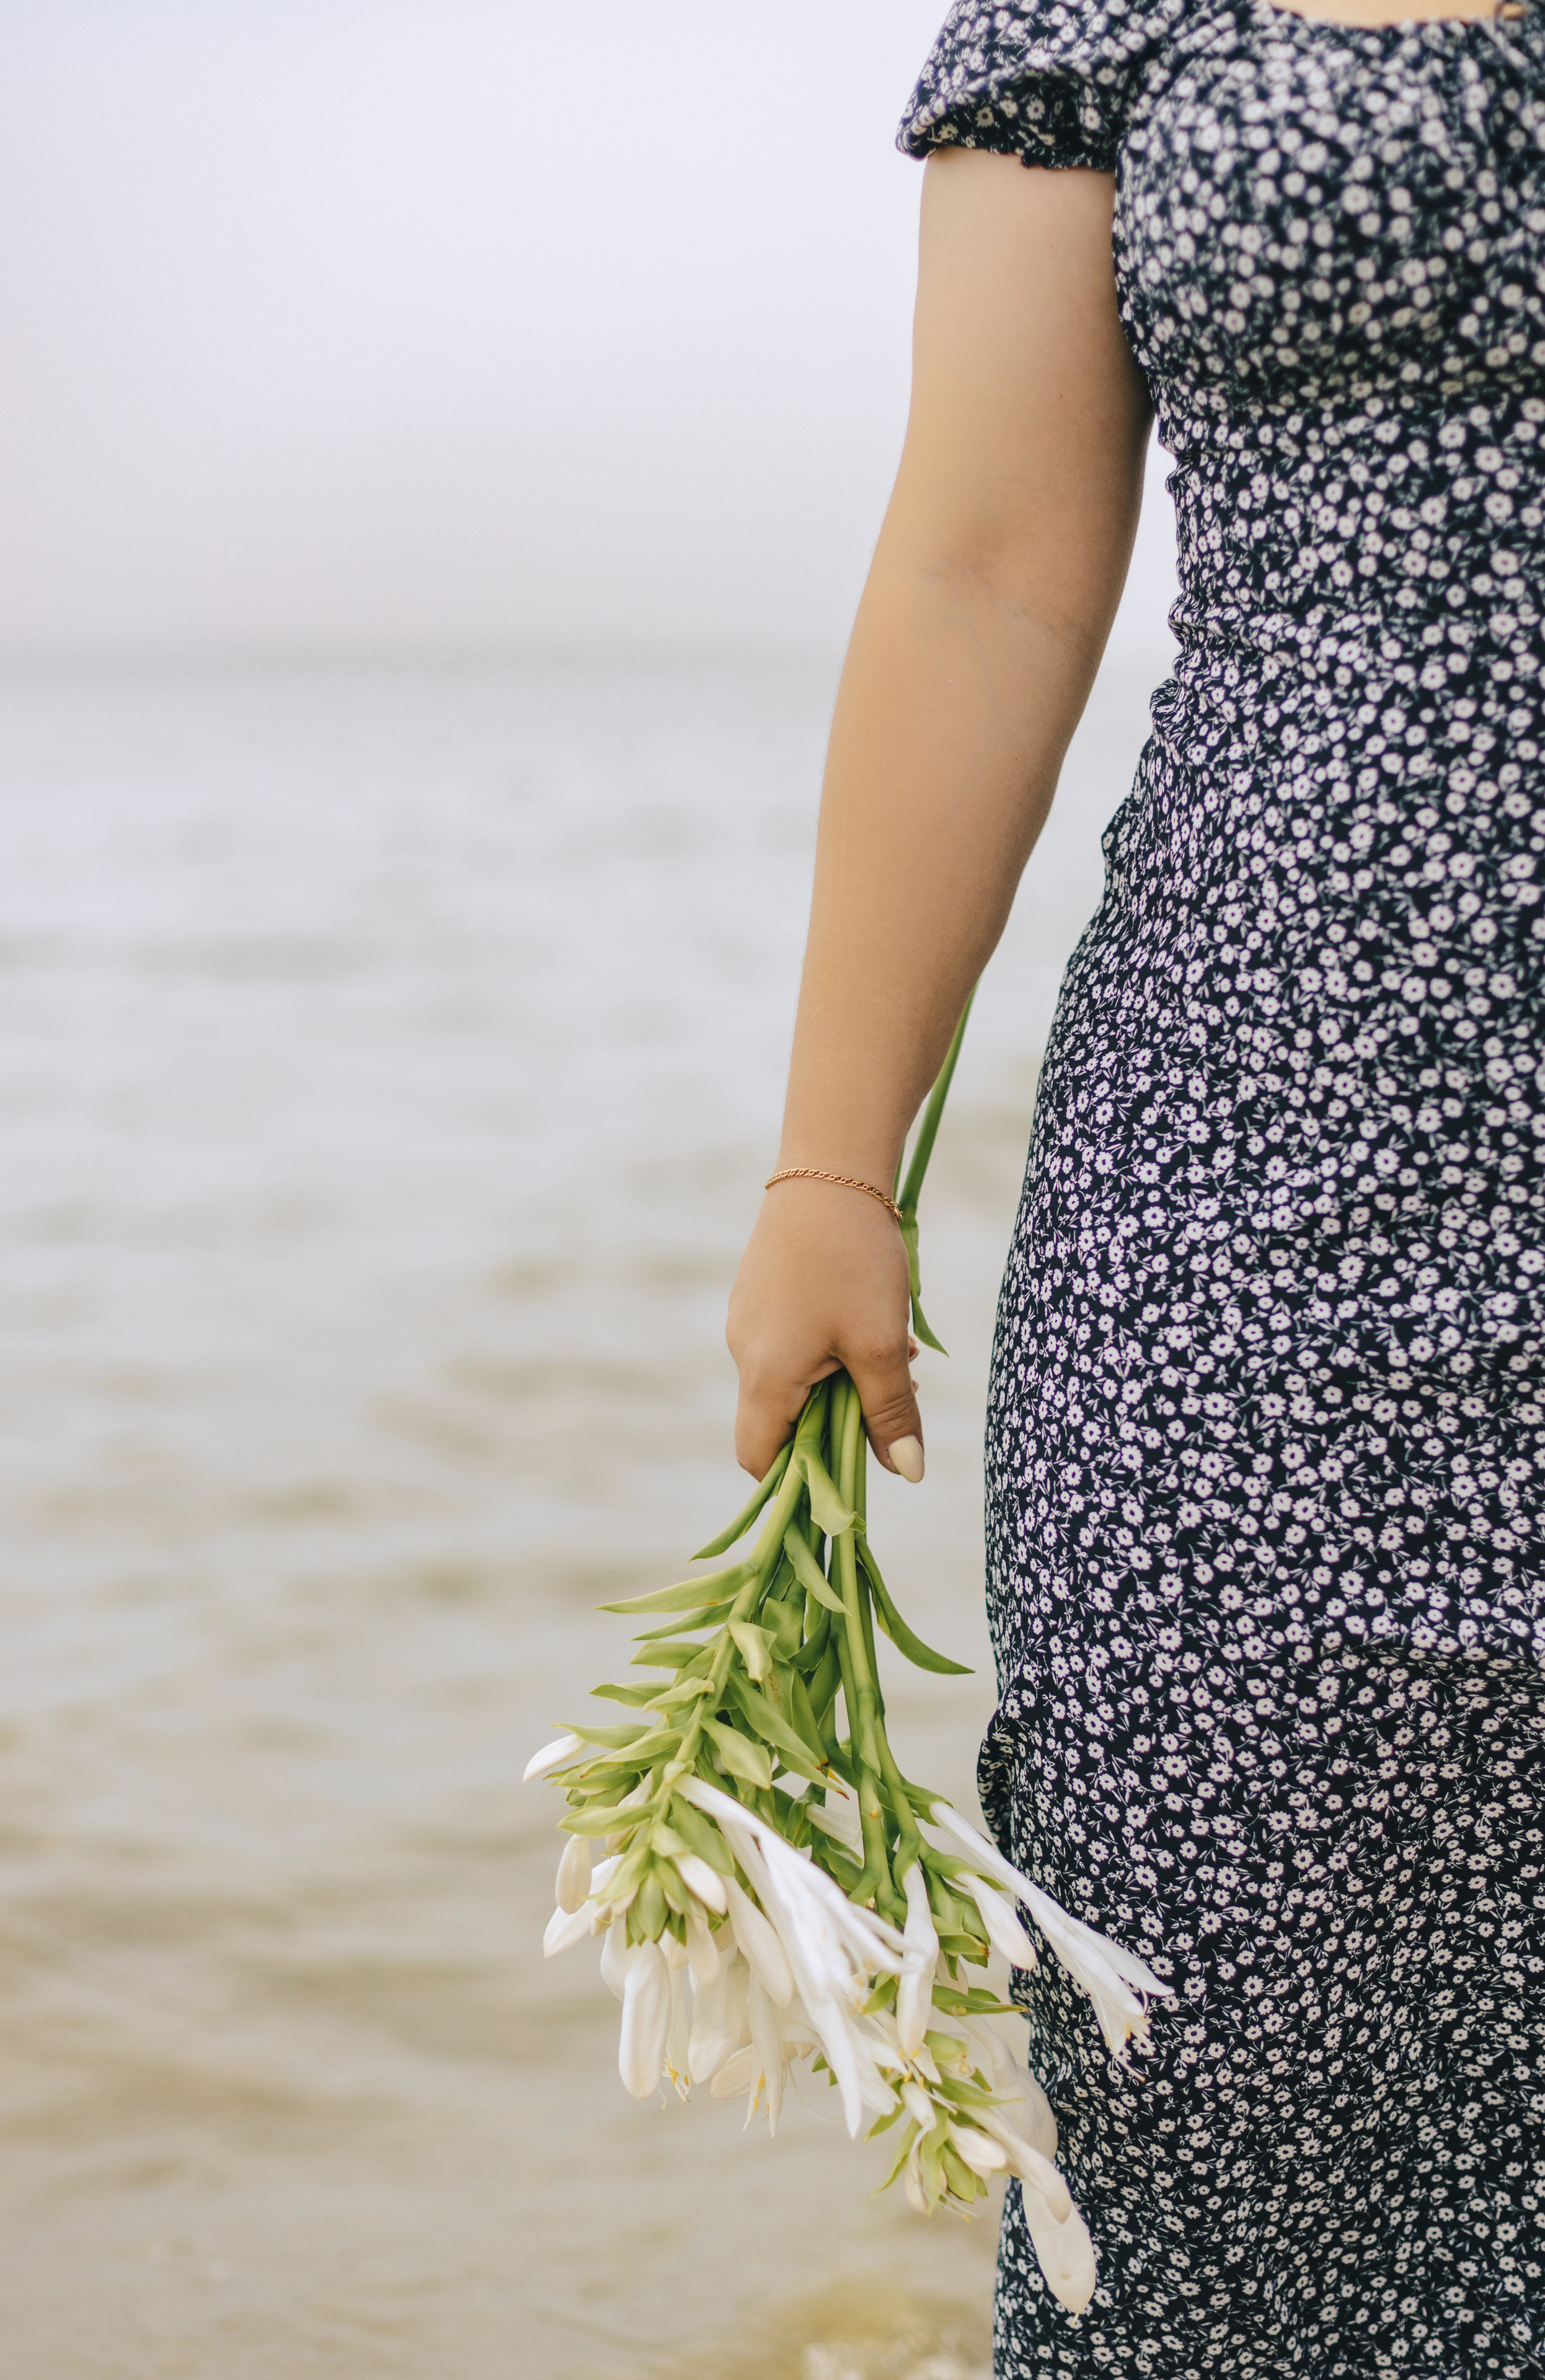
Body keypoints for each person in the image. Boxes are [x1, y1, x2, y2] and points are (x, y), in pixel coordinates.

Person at [725, 0, 1545, 2369]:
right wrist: (829, 1166)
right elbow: (986, 565)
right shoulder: (1117, 17)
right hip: (1255, 1183)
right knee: (1224, 2081)